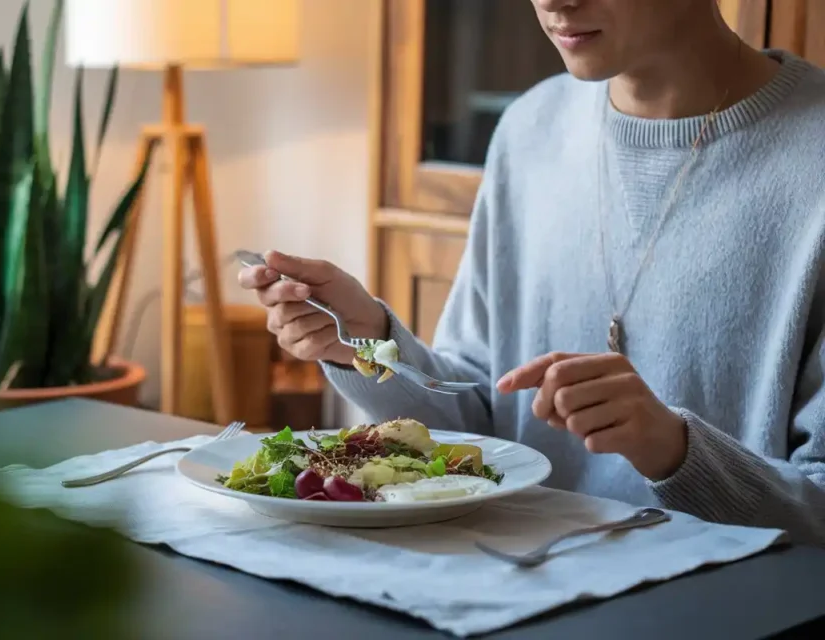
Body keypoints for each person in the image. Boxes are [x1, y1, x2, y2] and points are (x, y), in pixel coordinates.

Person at [238, 0, 825, 545]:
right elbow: (482, 418)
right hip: (510, 584)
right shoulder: (530, 129)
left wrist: (674, 450)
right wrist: (365, 342)